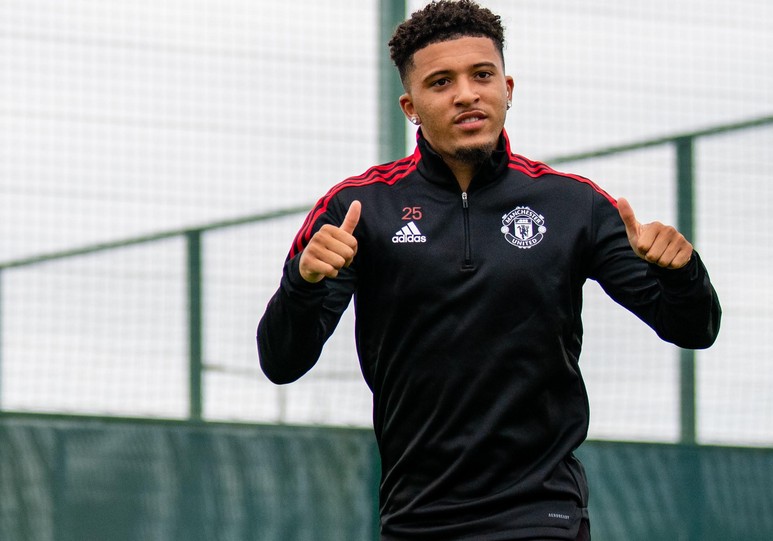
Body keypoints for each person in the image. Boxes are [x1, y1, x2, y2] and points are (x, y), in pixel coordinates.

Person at [257, 1, 721, 539]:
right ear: (410, 106)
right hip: (416, 518)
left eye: (482, 75)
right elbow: (281, 361)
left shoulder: (574, 205)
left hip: (542, 513)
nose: (466, 94)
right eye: (441, 82)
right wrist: (304, 283)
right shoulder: (358, 208)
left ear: (508, 88)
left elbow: (695, 328)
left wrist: (681, 273)